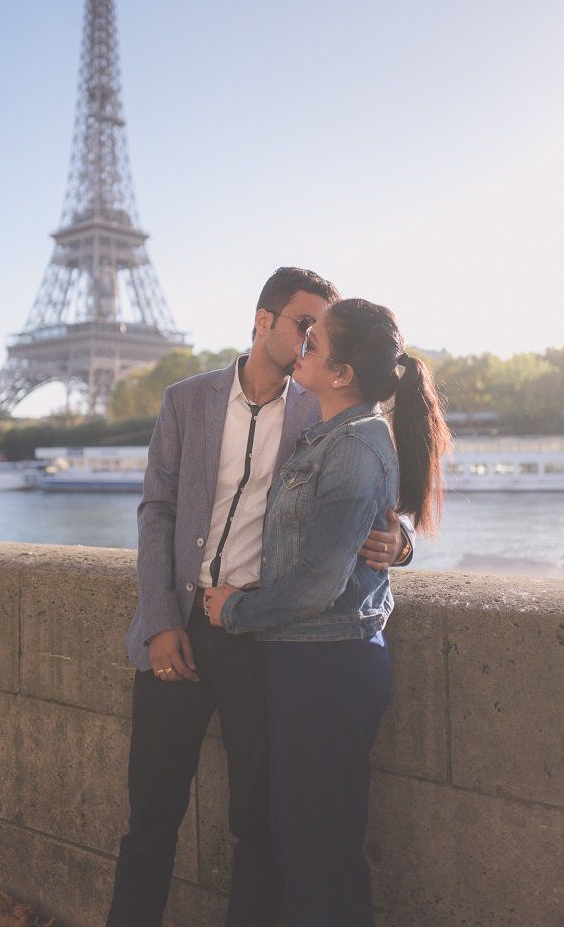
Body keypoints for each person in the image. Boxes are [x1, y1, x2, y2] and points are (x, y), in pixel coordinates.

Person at [106, 269, 415, 927]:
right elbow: (156, 512)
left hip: (259, 637)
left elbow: (365, 498)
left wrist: (401, 542)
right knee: (150, 817)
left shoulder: (323, 405)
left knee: (259, 826)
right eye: (303, 324)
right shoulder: (185, 399)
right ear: (262, 319)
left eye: (318, 332)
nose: (309, 340)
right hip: (182, 626)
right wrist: (162, 620)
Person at [204, 298, 450, 927]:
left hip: (323, 663)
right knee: (311, 841)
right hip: (311, 661)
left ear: (342, 374)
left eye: (315, 342)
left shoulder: (350, 448)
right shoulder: (336, 435)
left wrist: (233, 609)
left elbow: (316, 583)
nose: (303, 342)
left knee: (320, 850)